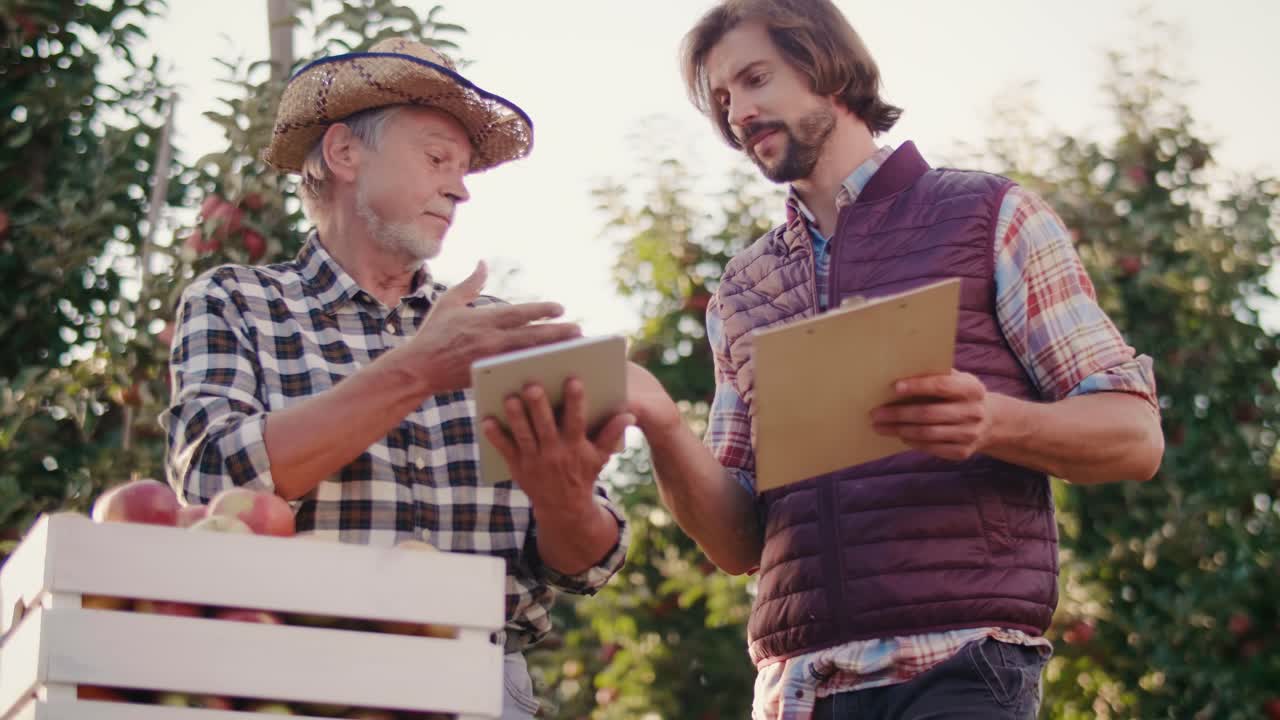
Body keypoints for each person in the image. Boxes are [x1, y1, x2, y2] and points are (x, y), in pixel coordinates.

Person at [623, 2, 1165, 717]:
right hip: (799, 688)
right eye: (723, 99)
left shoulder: (989, 216)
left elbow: (1135, 437)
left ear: (827, 67)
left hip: (963, 668)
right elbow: (738, 542)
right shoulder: (741, 290)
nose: (738, 112)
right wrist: (661, 425)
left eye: (756, 79)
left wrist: (993, 422)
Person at [161, 38, 631, 719]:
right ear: (345, 154)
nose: (460, 188)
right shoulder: (237, 301)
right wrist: (416, 370)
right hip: (293, 680)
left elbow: (590, 560)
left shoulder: (493, 335)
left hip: (484, 684)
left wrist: (565, 499)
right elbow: (211, 478)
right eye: (437, 158)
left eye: (465, 170)